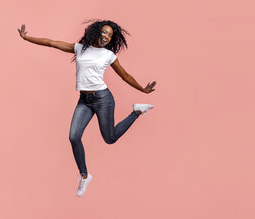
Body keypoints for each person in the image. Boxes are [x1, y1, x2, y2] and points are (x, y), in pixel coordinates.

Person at [17, 20, 156, 197]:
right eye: (104, 32)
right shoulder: (80, 48)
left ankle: (136, 111)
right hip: (84, 100)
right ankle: (84, 176)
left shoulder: (108, 55)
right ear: (97, 31)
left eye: (110, 35)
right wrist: (27, 38)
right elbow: (52, 43)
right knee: (73, 137)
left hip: (102, 99)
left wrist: (142, 89)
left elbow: (125, 76)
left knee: (110, 138)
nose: (106, 36)